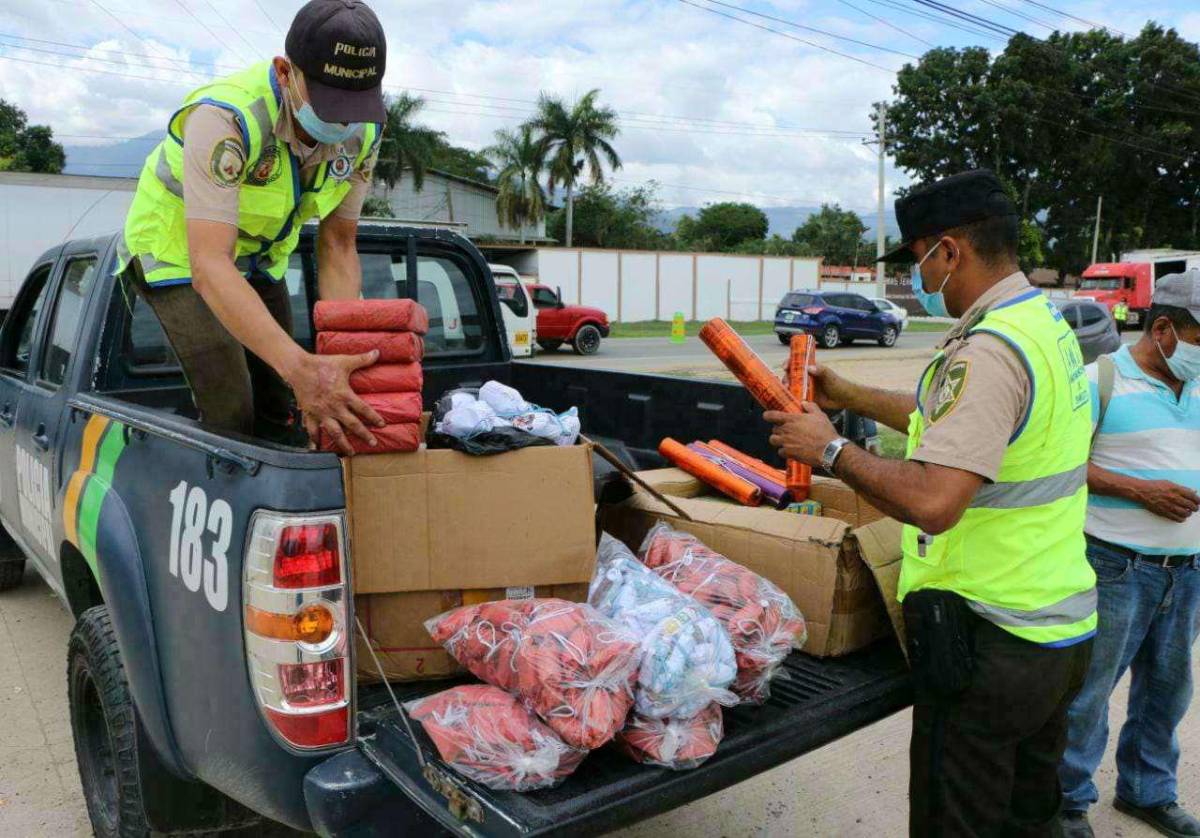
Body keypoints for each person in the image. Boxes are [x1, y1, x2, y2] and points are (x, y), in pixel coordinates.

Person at [765, 169, 1097, 836]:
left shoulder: (992, 350)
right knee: (1029, 820)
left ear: (950, 252)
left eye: (917, 259)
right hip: (1055, 635)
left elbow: (938, 500)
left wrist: (829, 450)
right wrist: (850, 396)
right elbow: (950, 418)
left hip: (991, 640)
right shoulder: (1039, 324)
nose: (915, 277)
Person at [117, 0, 388, 453]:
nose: (341, 122)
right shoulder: (225, 119)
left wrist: (340, 360)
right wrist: (303, 370)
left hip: (260, 257)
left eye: (353, 107)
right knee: (233, 406)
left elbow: (339, 246)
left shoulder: (364, 132)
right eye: (328, 103)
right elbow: (210, 264)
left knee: (283, 405)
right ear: (285, 73)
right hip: (179, 251)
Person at [1057, 272, 1200, 838]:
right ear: (1163, 328)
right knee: (1088, 694)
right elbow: (1061, 465)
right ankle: (1067, 802)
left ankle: (1146, 791)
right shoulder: (1101, 381)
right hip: (1116, 567)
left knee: (1167, 691)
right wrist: (1141, 490)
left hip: (1188, 571)